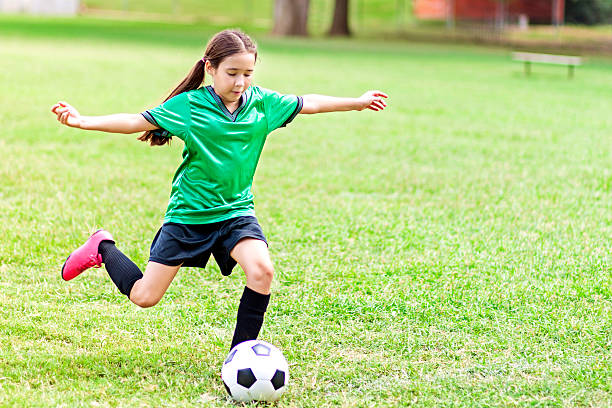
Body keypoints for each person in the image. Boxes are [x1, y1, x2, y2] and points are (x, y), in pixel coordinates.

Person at [51, 29, 388, 350]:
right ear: (210, 68)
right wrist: (84, 121)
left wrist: (356, 102)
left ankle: (240, 356)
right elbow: (134, 121)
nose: (240, 82)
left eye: (248, 73)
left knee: (262, 270)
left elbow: (308, 102)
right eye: (232, 73)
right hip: (189, 216)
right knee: (144, 297)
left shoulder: (263, 104)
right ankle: (102, 246)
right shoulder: (190, 106)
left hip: (236, 213)